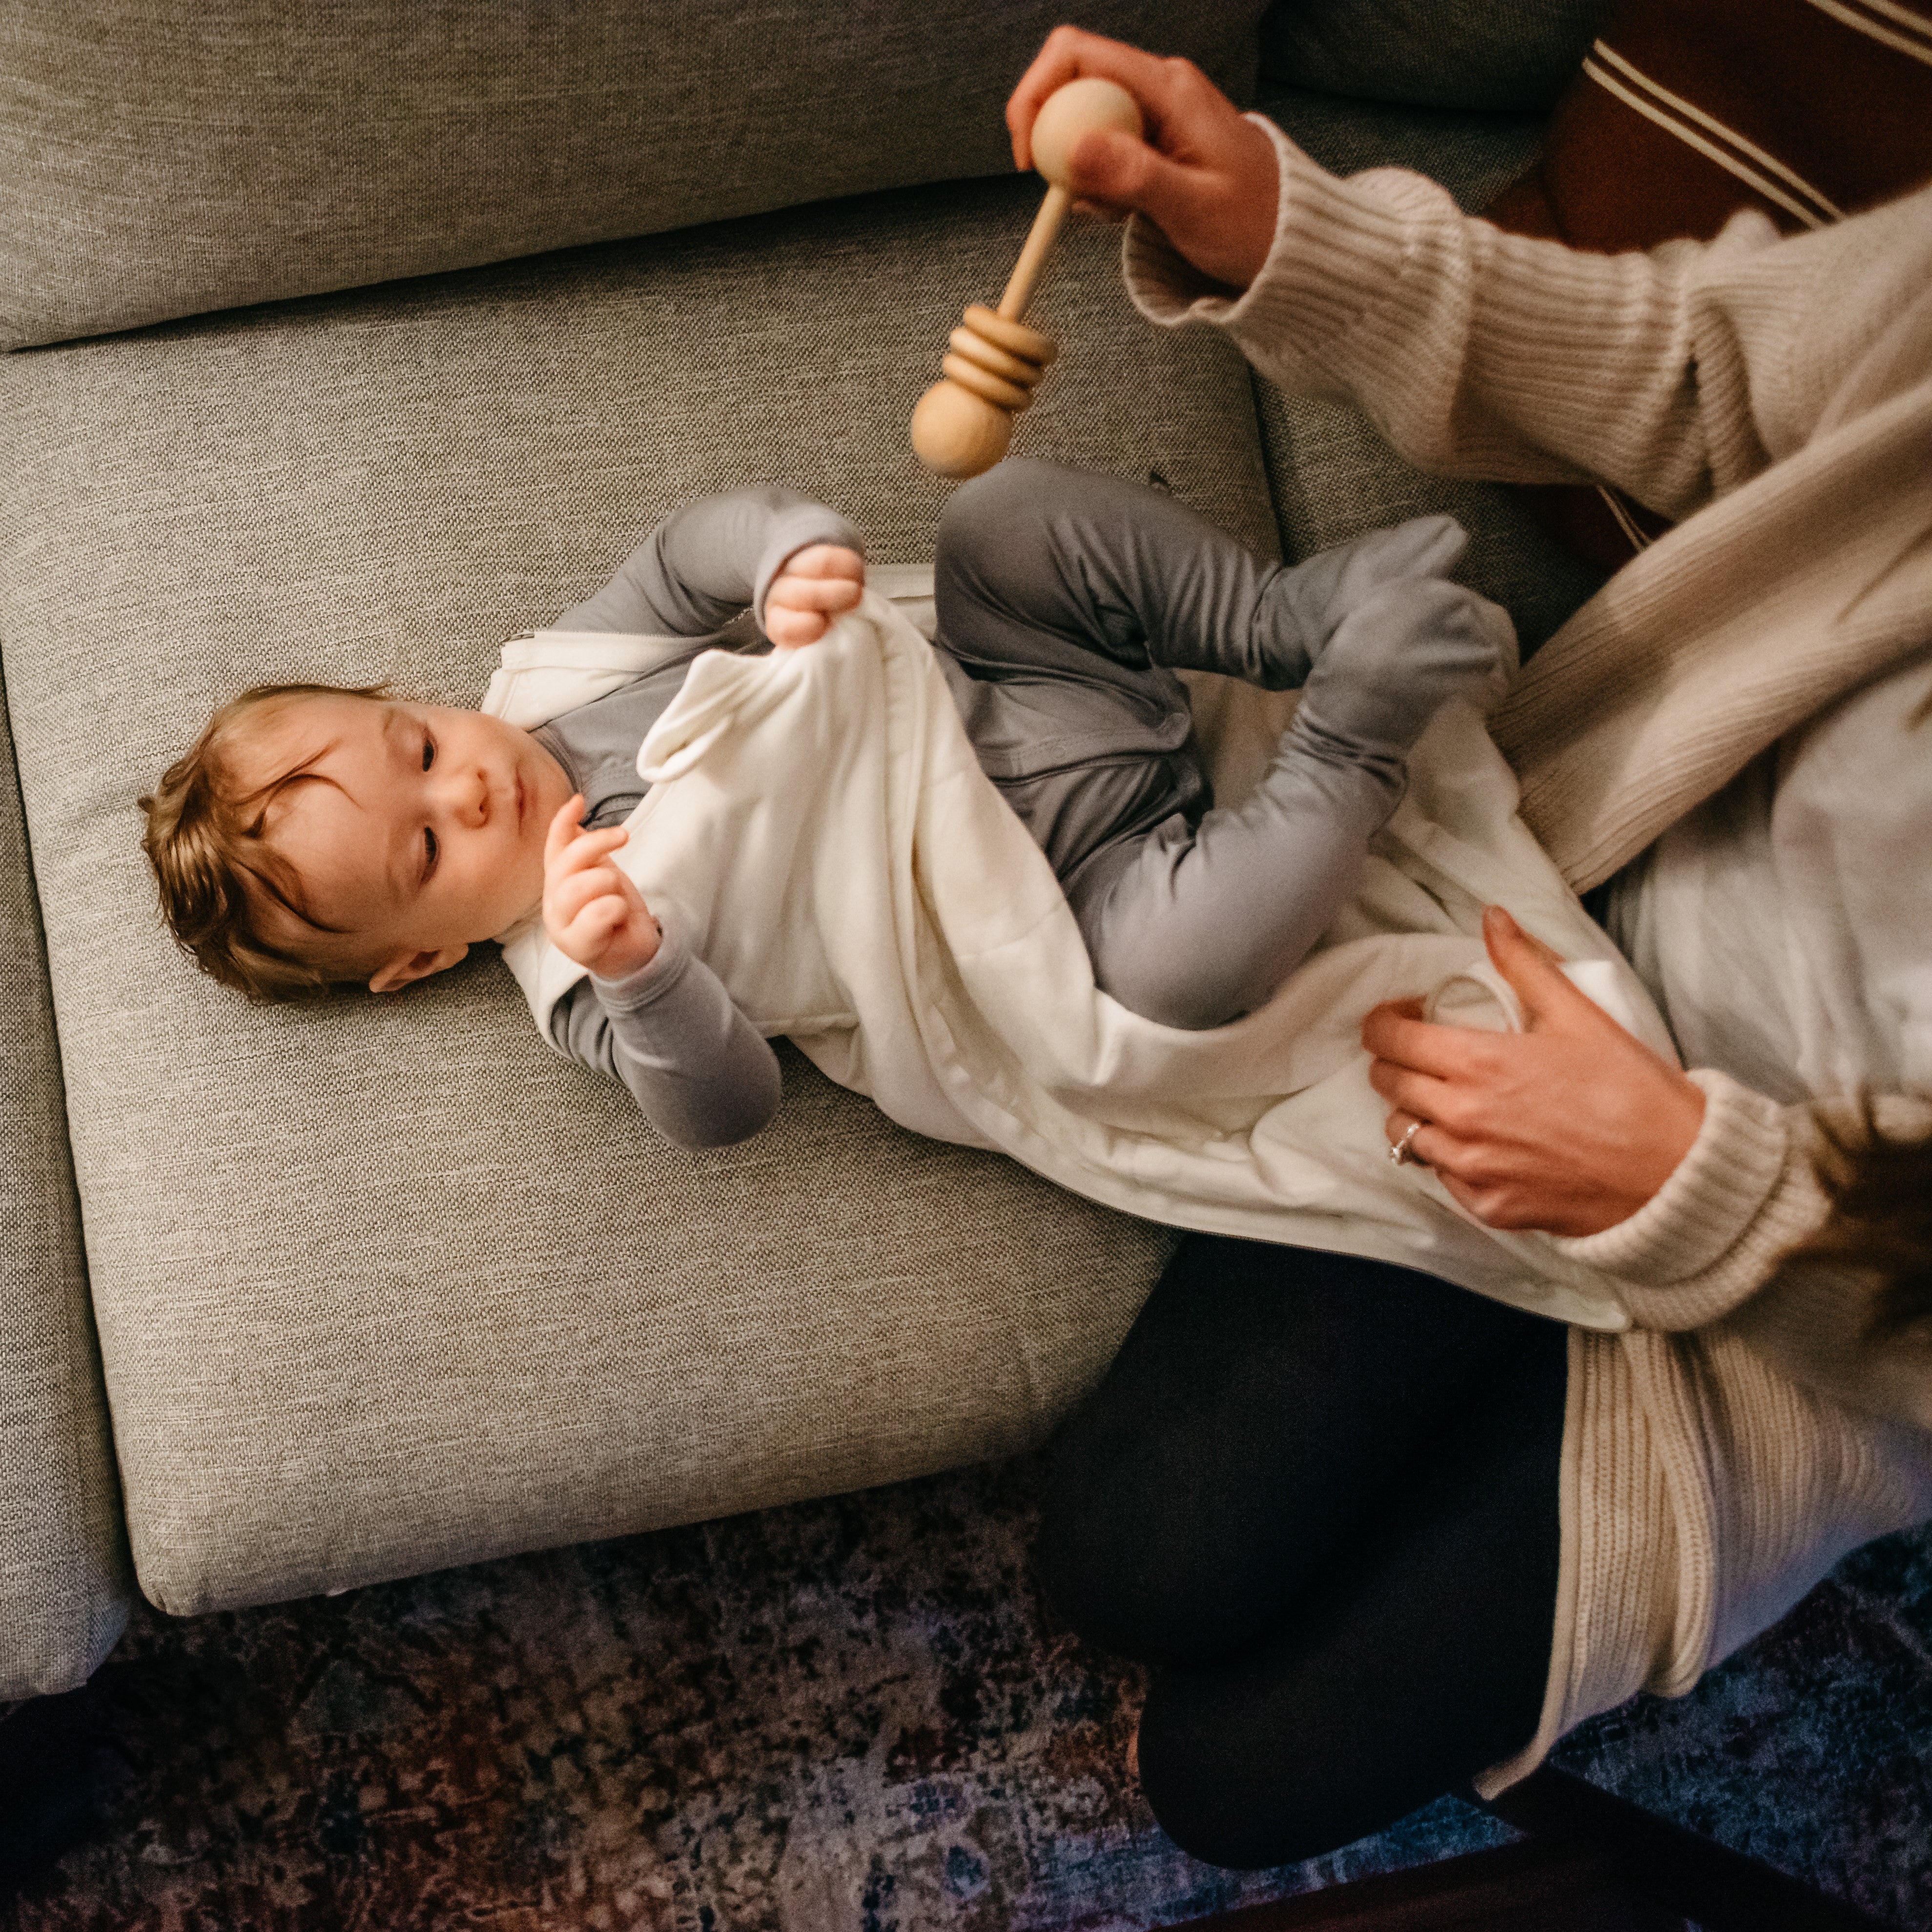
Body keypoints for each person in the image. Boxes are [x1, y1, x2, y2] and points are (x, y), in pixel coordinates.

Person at [1007, 26, 1932, 1868]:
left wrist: (1688, 1177)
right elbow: (1697, 368)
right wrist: (1296, 232)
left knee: (1232, 1780)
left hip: (1825, 1322)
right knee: (1135, 1555)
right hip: (1576, 944)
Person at [139, 464, 1508, 1147]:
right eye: (429, 846)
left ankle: (1276, 624)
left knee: (1005, 517)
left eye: (417, 741)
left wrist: (787, 552)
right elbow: (723, 1111)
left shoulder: (563, 673)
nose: (472, 782)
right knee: (1165, 981)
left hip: (1014, 680)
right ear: (422, 955)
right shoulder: (574, 967)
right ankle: (1351, 737)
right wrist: (643, 968)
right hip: (1056, 907)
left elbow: (693, 557)